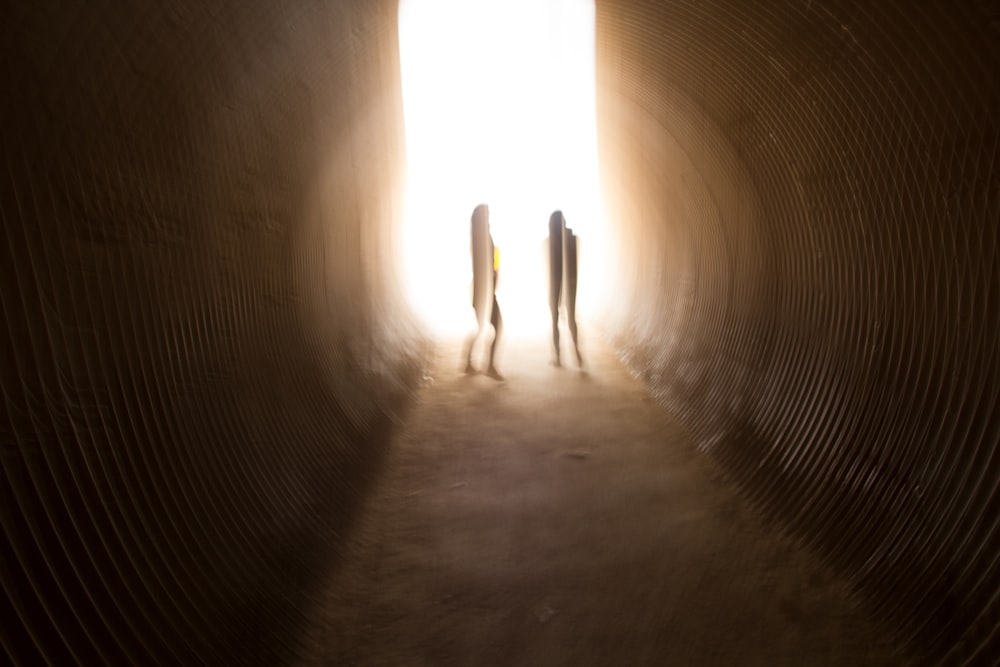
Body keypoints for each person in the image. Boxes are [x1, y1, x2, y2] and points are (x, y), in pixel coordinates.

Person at [462, 204, 504, 380]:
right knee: (495, 326)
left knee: (485, 328)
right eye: (487, 214)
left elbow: (493, 263)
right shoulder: (482, 239)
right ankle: (488, 366)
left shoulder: (482, 238)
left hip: (485, 290)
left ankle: (470, 364)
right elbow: (487, 265)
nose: (489, 218)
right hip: (482, 291)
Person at [548, 210, 583, 368]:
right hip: (571, 282)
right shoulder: (572, 239)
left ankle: (558, 357)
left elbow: (548, 267)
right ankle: (576, 351)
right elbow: (575, 263)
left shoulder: (550, 241)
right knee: (571, 319)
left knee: (555, 319)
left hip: (555, 283)